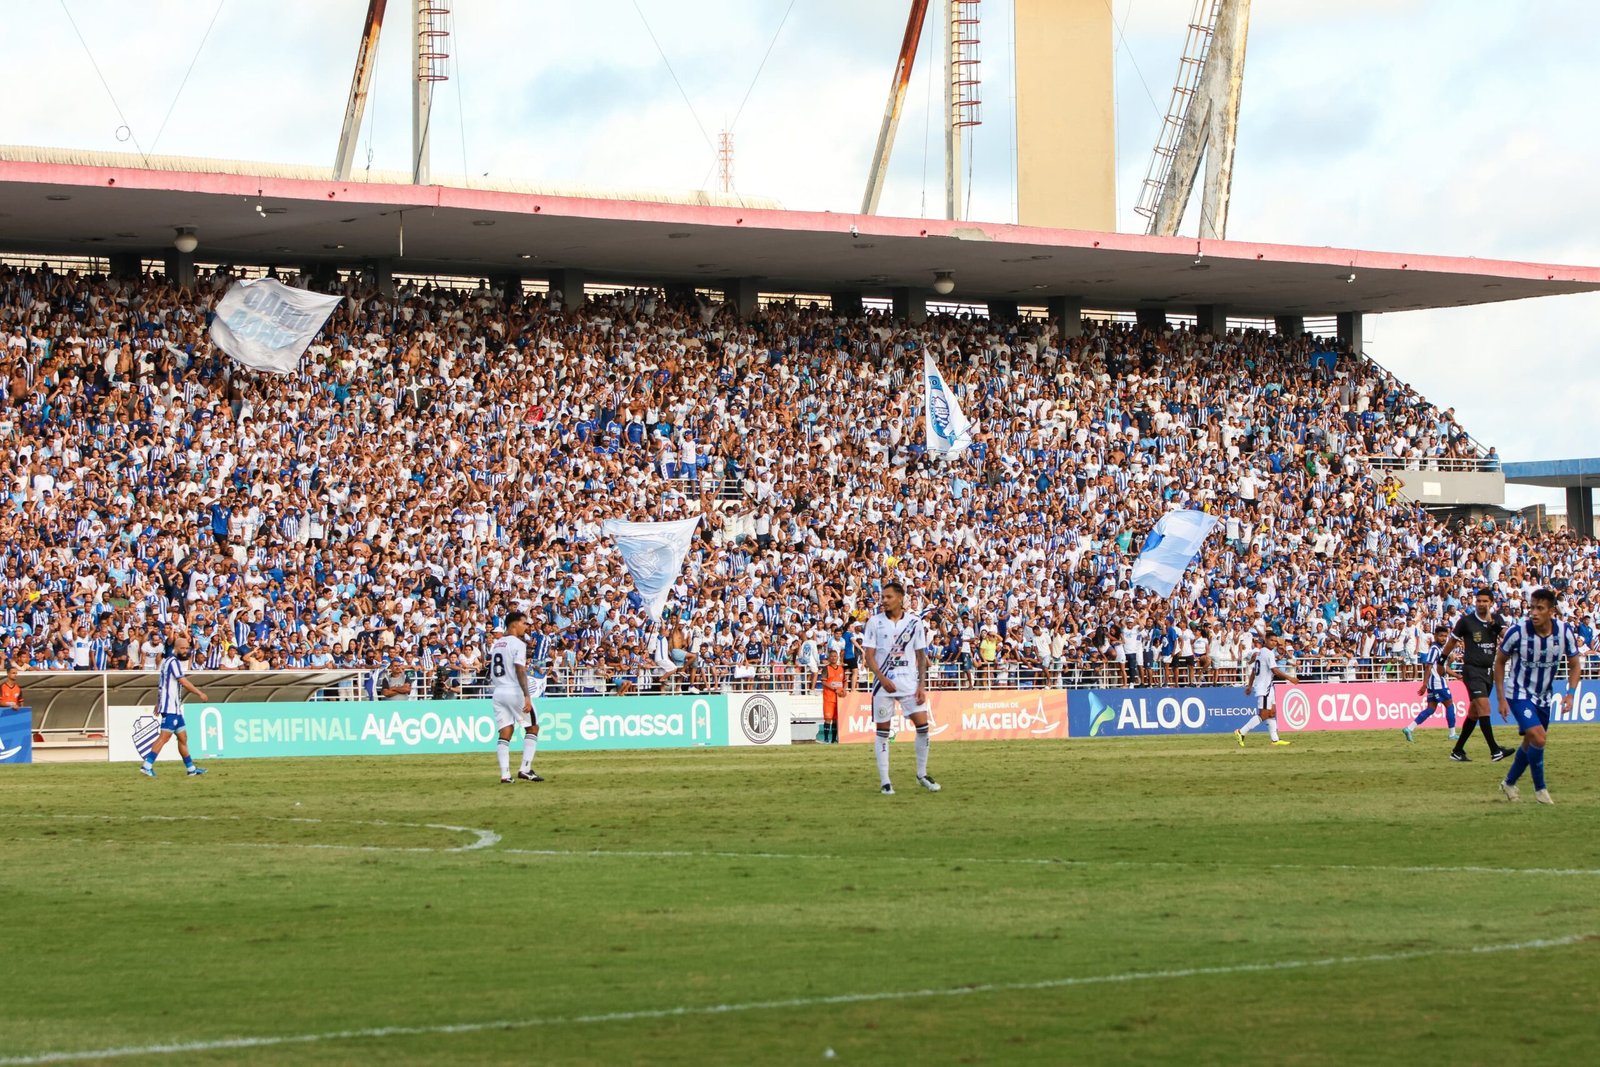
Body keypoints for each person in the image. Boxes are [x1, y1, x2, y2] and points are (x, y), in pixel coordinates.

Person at [1494, 587, 1580, 805]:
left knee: (1530, 741)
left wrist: (1570, 694)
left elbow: (1575, 664)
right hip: (1518, 693)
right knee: (1539, 738)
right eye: (1532, 607)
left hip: (1544, 696)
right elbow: (1500, 662)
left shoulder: (1564, 632)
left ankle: (1509, 782)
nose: (1533, 612)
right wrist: (1501, 698)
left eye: (1539, 608)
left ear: (1551, 611)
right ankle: (1541, 790)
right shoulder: (1517, 632)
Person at [861, 582, 939, 795]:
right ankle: (885, 781)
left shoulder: (914, 623)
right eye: (882, 597)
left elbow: (921, 655)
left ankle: (921, 774)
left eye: (888, 597)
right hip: (883, 685)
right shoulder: (874, 622)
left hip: (909, 684)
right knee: (883, 732)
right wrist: (881, 678)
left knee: (923, 727)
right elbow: (869, 655)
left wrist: (921, 685)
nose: (884, 600)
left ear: (900, 598)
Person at [1443, 589, 1516, 763]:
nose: (1481, 604)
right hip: (1472, 670)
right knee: (1484, 708)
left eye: (1485, 601)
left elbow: (1507, 637)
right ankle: (1495, 751)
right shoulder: (1466, 621)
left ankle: (1457, 751)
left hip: (1488, 672)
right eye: (1479, 601)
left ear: (1491, 603)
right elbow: (1452, 641)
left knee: (1474, 713)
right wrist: (1441, 661)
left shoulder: (1497, 619)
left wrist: (1493, 624)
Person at [138, 633, 209, 778]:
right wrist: (199, 693)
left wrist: (158, 702)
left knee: (183, 738)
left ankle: (191, 769)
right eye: (183, 648)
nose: (185, 651)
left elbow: (162, 684)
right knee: (164, 737)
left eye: (187, 648)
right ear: (176, 648)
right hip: (170, 707)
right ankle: (147, 766)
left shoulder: (167, 662)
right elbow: (182, 680)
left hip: (175, 708)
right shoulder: (173, 662)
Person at [487, 612, 536, 784]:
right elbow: (520, 669)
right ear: (514, 624)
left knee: (506, 731)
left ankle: (505, 774)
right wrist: (527, 696)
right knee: (533, 728)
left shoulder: (497, 644)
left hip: (498, 692)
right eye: (524, 623)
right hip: (513, 690)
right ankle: (525, 769)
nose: (526, 626)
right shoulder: (518, 643)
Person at [1234, 632, 1298, 747]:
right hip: (1264, 688)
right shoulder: (1268, 653)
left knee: (1272, 712)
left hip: (1268, 687)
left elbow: (1254, 670)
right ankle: (1241, 732)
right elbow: (1275, 670)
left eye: (1275, 641)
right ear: (1266, 640)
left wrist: (1249, 686)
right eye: (1272, 640)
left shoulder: (1261, 652)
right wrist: (1290, 678)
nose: (1274, 643)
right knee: (1263, 714)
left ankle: (1275, 740)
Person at [1403, 625, 1459, 743]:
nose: (1444, 638)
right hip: (1438, 683)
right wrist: (1424, 684)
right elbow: (1428, 666)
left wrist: (1457, 675)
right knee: (1450, 705)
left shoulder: (1440, 649)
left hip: (1433, 684)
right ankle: (1452, 734)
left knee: (1431, 709)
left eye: (1445, 636)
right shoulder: (1435, 649)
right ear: (1435, 636)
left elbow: (1444, 667)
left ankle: (1409, 728)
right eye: (1441, 636)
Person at [818, 647, 846, 743]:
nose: (833, 658)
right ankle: (826, 739)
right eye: (831, 656)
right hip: (829, 697)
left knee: (836, 719)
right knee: (828, 718)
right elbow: (823, 682)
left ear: (837, 657)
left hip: (839, 698)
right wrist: (834, 689)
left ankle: (834, 739)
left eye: (835, 656)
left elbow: (845, 681)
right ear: (829, 658)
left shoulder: (841, 669)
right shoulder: (826, 668)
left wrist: (844, 690)